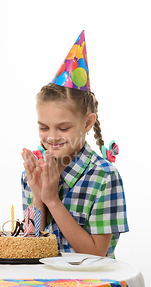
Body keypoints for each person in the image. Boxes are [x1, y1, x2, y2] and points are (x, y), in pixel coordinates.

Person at [21, 31, 128, 258]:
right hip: (43, 286)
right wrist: (38, 195)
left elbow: (96, 254)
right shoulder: (33, 171)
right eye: (43, 127)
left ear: (88, 122)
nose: (51, 137)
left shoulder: (104, 177)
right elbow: (31, 246)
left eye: (63, 128)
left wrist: (53, 200)